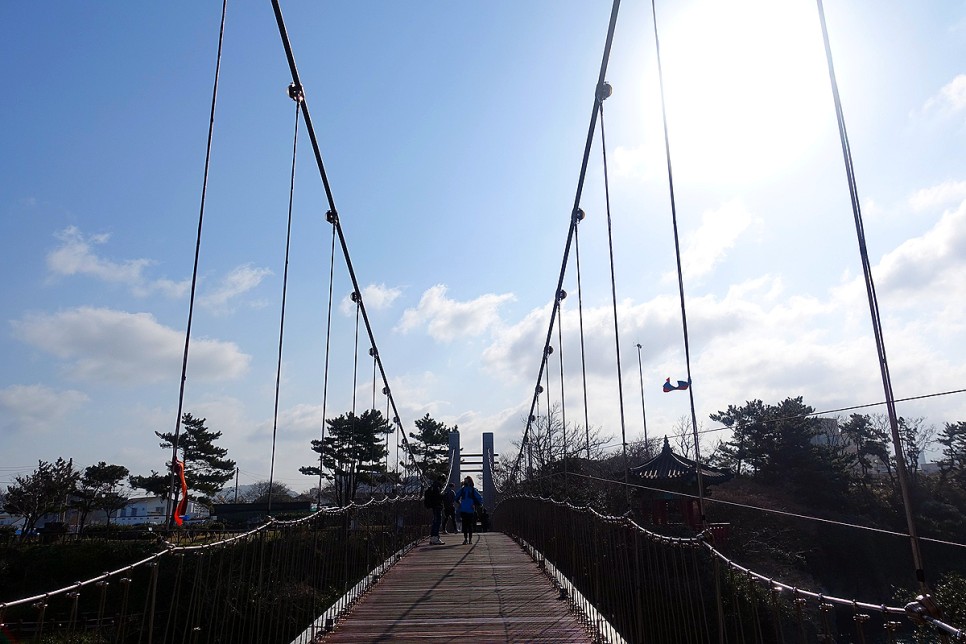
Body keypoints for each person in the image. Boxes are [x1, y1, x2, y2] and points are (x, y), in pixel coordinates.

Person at [455, 476, 483, 545]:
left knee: (466, 524)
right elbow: (480, 498)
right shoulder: (471, 490)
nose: (466, 482)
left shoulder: (464, 490)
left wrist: (460, 503)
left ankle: (467, 539)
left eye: (466, 481)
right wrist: (474, 504)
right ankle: (468, 539)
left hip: (466, 509)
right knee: (468, 525)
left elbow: (456, 497)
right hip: (468, 510)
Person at [427, 479, 444, 545]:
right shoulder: (437, 487)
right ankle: (435, 538)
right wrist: (443, 496)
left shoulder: (432, 486)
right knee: (437, 522)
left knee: (435, 521)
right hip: (437, 506)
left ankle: (432, 538)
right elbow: (438, 497)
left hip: (434, 506)